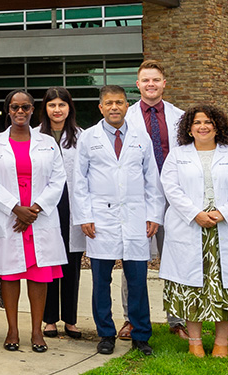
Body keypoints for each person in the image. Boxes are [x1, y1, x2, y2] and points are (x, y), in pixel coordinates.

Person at [160, 105, 228, 358]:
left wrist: (224, 213)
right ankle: (195, 342)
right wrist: (195, 213)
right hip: (190, 225)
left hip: (225, 226)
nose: (203, 127)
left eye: (208, 122)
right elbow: (171, 188)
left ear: (217, 126)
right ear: (189, 128)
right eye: (197, 122)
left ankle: (221, 342)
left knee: (224, 286)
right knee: (191, 286)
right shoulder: (177, 155)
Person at [72, 85, 163, 357]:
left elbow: (152, 179)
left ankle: (141, 335)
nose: (114, 107)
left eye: (120, 102)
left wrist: (153, 214)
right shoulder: (88, 138)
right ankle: (106, 334)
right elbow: (79, 181)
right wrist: (85, 216)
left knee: (137, 281)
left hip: (135, 218)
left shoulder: (140, 137)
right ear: (101, 107)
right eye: (109, 103)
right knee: (101, 281)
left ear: (127, 106)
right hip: (101, 219)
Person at [0, 89, 67, 353]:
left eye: (25, 107)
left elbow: (58, 179)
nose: (20, 111)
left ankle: (37, 331)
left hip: (38, 217)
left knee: (38, 275)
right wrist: (16, 209)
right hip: (10, 217)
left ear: (32, 110)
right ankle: (12, 330)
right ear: (8, 110)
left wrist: (34, 210)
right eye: (15, 107)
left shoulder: (47, 142)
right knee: (10, 275)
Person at [117, 59, 189, 341]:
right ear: (138, 85)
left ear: (164, 83)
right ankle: (132, 320)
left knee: (177, 259)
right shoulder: (126, 118)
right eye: (145, 80)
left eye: (155, 80)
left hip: (174, 199)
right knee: (133, 261)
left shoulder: (181, 117)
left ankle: (178, 320)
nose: (151, 84)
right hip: (137, 200)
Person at [37, 87, 86, 340]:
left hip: (72, 205)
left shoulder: (82, 137)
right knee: (48, 262)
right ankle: (49, 319)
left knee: (71, 264)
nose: (57, 110)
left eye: (62, 105)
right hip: (45, 205)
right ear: (45, 108)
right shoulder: (35, 136)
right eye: (52, 105)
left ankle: (70, 319)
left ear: (69, 108)